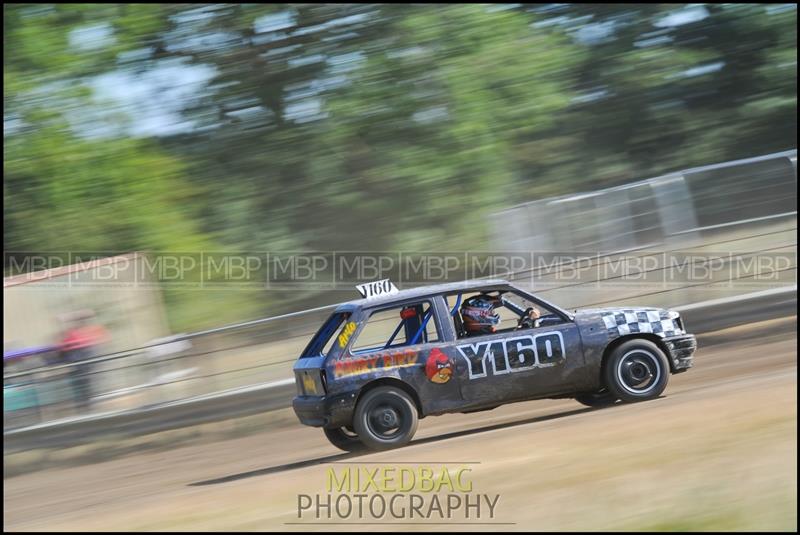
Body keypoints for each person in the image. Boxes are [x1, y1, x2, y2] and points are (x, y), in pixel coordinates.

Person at [459, 293, 541, 337]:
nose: (493, 313)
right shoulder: (480, 337)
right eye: (490, 311)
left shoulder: (483, 332)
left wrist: (520, 327)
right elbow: (509, 347)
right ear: (478, 315)